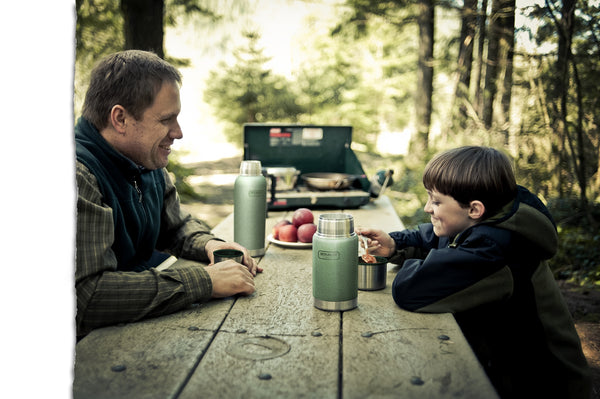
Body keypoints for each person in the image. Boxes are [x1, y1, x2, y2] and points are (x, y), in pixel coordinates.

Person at [357, 146, 591, 398]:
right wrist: (395, 244)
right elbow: (434, 238)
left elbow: (411, 290)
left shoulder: (495, 249)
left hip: (542, 383)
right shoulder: (489, 218)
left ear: (474, 209)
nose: (427, 208)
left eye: (436, 201)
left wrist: (428, 265)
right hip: (504, 364)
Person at [75, 50, 262, 339]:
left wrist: (209, 244)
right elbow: (88, 295)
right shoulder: (77, 177)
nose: (178, 132)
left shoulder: (144, 159)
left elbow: (174, 226)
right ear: (120, 119)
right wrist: (205, 281)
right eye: (166, 119)